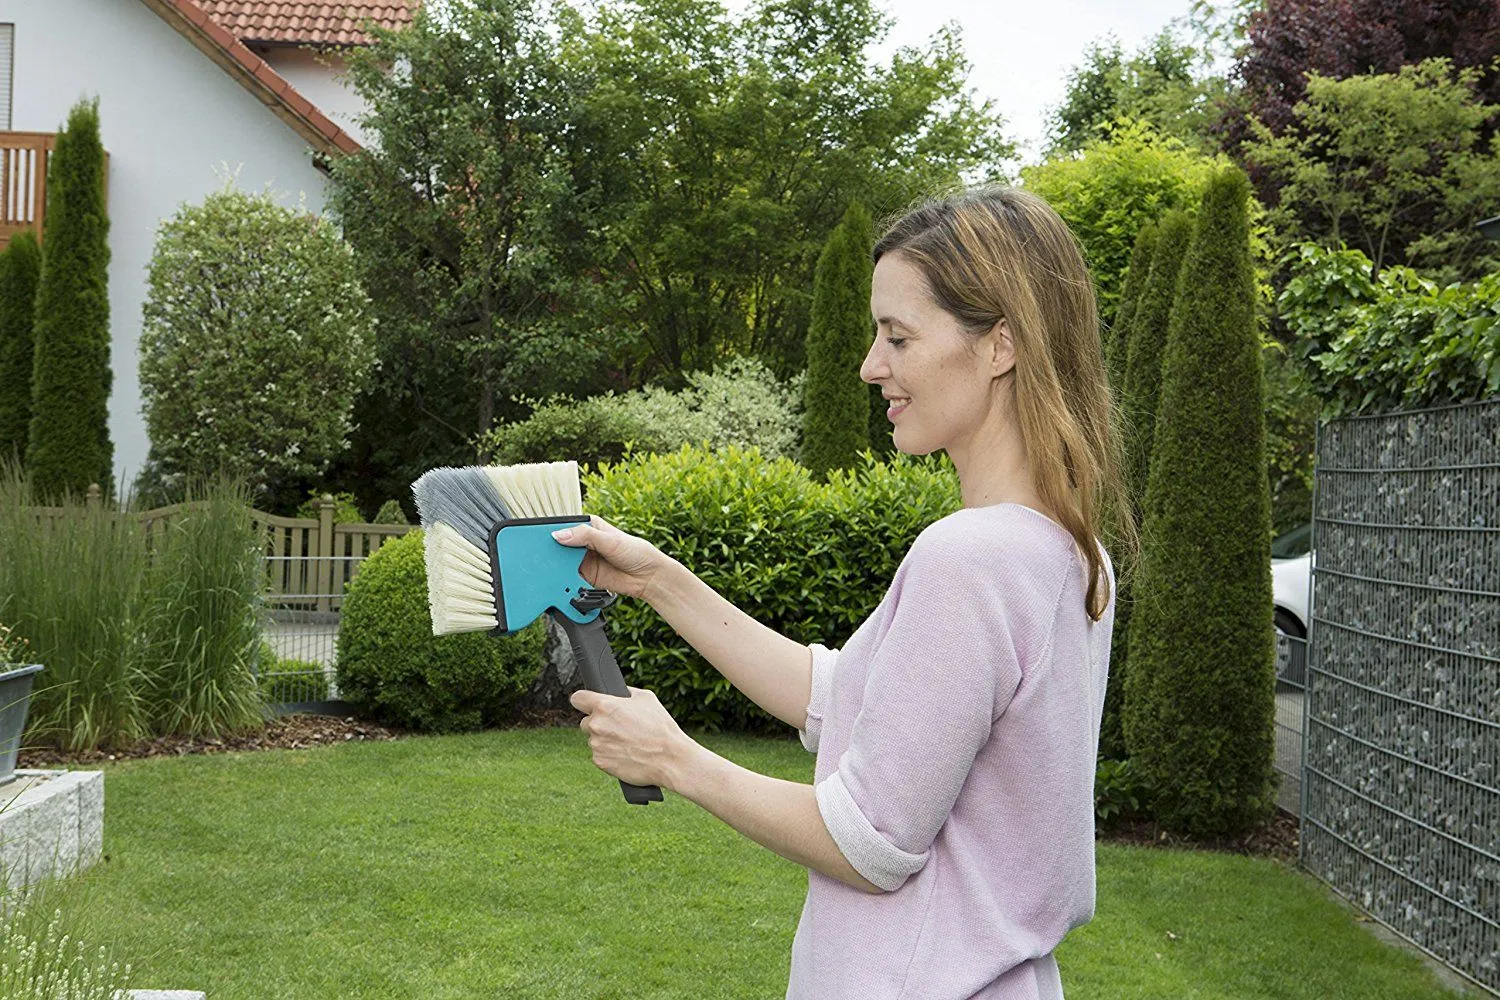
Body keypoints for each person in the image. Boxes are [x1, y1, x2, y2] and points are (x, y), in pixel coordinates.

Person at [553, 185, 1137, 1000]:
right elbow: (839, 697)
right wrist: (659, 581)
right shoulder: (1070, 551)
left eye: (898, 336)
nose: (870, 365)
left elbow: (870, 845)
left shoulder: (969, 557)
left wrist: (674, 759)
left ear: (1000, 344)